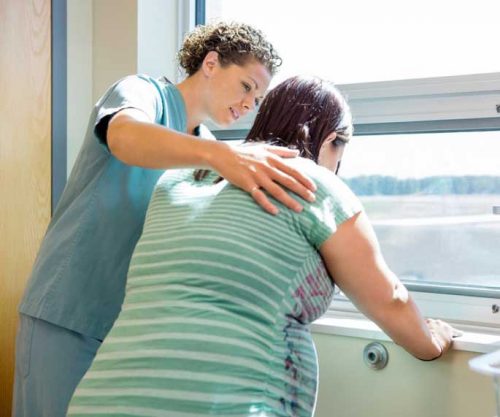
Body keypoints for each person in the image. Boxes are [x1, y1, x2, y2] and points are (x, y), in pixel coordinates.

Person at [67, 76, 460, 417]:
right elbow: (388, 298)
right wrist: (433, 341)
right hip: (220, 405)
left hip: (102, 398)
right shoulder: (312, 184)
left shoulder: (180, 179)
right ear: (330, 139)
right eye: (342, 149)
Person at [12, 22, 318, 417]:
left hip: (130, 332)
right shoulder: (144, 93)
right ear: (211, 63)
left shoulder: (210, 149)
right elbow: (124, 135)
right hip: (69, 311)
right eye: (246, 86)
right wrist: (221, 157)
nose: (249, 104)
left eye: (257, 99)